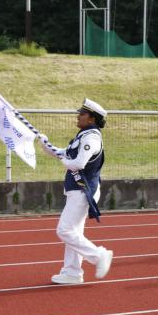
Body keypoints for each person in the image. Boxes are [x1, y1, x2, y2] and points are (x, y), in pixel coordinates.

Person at [37, 99, 113, 285]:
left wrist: (65, 162)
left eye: (82, 114)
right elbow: (64, 153)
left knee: (64, 230)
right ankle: (72, 272)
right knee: (74, 232)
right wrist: (45, 143)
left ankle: (99, 255)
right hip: (77, 190)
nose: (78, 116)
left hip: (83, 190)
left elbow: (78, 163)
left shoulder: (91, 138)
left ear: (92, 119)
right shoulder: (83, 136)